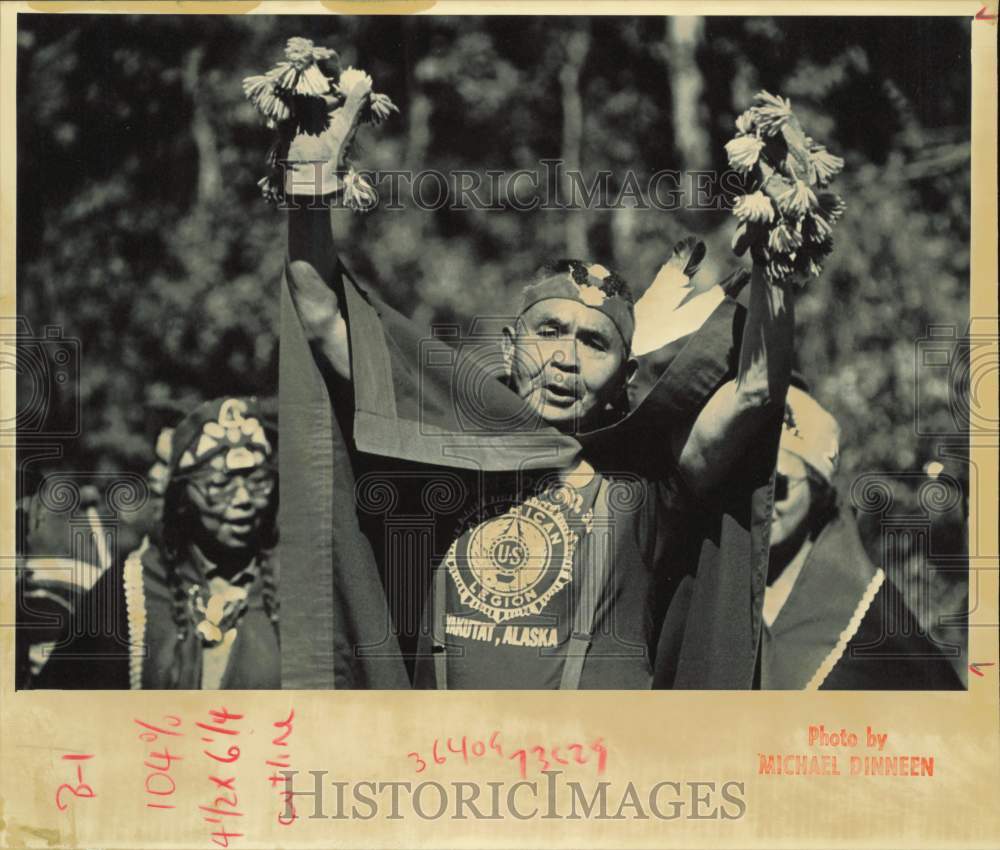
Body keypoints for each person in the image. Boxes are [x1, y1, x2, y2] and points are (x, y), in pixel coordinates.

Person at [267, 50, 795, 690]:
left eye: (595, 344)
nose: (566, 358)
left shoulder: (642, 485)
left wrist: (781, 256)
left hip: (587, 781)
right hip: (447, 774)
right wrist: (307, 185)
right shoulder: (444, 444)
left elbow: (756, 391)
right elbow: (324, 317)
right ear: (513, 345)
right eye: (550, 332)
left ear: (623, 380)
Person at [35, 396, 280, 689]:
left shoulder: (299, 588)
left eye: (257, 482)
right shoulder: (128, 592)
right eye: (220, 484)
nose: (243, 500)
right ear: (181, 496)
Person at [760, 384, 962, 689]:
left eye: (779, 486)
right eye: (751, 486)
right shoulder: (728, 585)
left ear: (817, 488)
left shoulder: (866, 607)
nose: (762, 503)